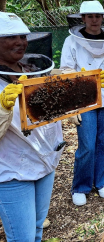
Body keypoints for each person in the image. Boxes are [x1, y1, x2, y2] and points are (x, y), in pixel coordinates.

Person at [0, 12, 63, 241]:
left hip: (44, 160)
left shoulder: (31, 69)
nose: (20, 42)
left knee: (37, 229)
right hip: (11, 171)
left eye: (23, 36)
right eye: (11, 36)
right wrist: (2, 108)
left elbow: (46, 113)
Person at [60, 1, 104, 206]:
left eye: (98, 16)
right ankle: (81, 186)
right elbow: (67, 72)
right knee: (87, 145)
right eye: (90, 16)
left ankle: (101, 181)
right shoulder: (71, 42)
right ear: (83, 19)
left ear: (103, 18)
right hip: (83, 101)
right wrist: (71, 105)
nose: (94, 20)